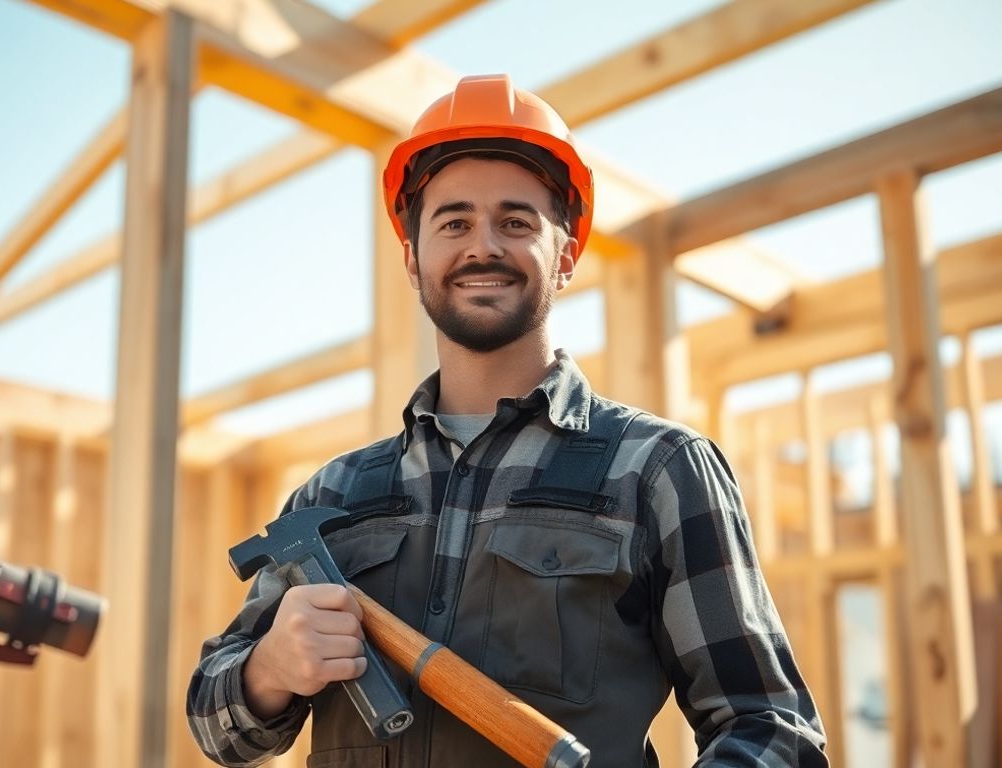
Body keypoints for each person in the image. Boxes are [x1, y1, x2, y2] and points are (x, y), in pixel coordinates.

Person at [187, 74, 827, 767]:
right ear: (412, 258)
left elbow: (771, 730)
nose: (482, 246)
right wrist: (268, 672)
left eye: (516, 222)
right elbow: (212, 726)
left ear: (567, 257)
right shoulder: (333, 495)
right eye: (453, 221)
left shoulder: (658, 471)